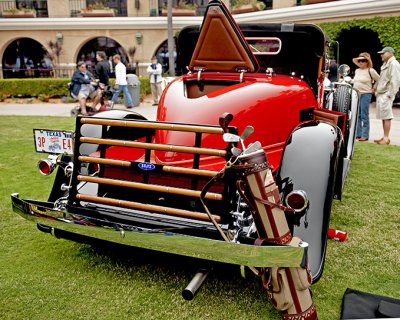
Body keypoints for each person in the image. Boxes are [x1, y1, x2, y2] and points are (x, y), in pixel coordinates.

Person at [374, 47, 400, 145]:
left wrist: (390, 94)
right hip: (382, 93)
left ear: (389, 53)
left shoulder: (394, 64)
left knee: (387, 116)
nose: (381, 55)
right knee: (383, 116)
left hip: (386, 94)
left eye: (383, 53)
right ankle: (384, 137)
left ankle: (386, 138)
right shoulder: (386, 64)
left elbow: (396, 80)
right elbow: (382, 79)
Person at [352, 52, 379, 142]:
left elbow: (379, 79)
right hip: (356, 94)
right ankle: (358, 134)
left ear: (367, 62)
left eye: (363, 61)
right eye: (359, 61)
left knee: (364, 114)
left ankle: (365, 135)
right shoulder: (357, 71)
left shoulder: (370, 70)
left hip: (366, 94)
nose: (361, 62)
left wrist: (374, 88)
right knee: (357, 114)